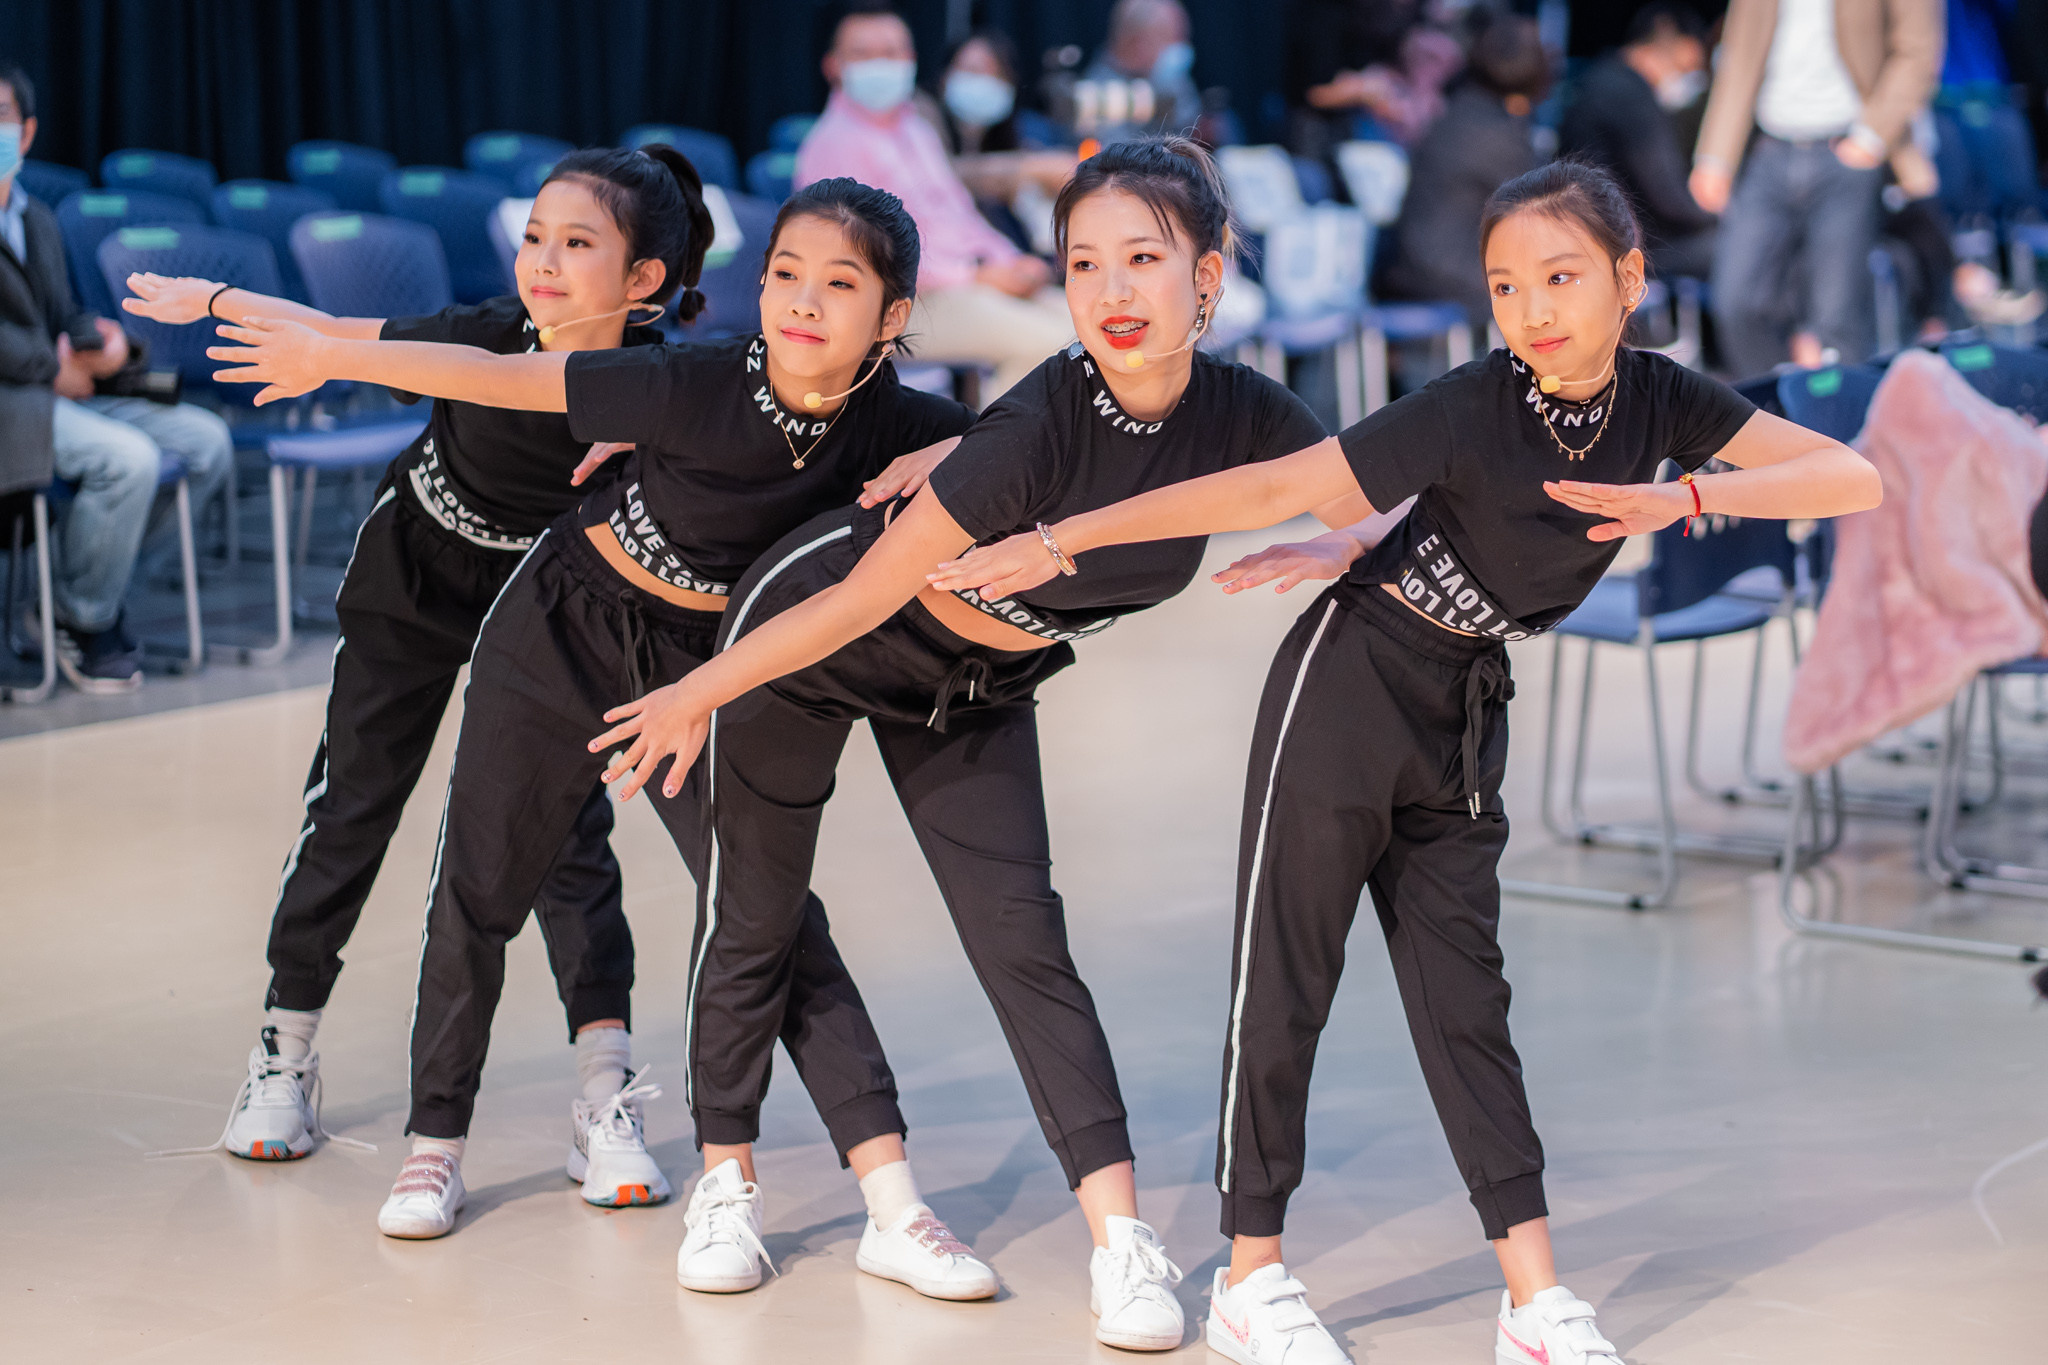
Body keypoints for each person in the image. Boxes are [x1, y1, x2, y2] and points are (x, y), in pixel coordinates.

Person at [927, 159, 1883, 1365]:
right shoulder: (1470, 402)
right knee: (1284, 986)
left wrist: (1689, 494)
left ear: (1628, 280)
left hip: (1467, 703)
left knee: (1465, 1005)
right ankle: (1250, 1276)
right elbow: (1277, 482)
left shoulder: (1661, 401)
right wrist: (1066, 535)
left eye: (1560, 277)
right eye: (1505, 285)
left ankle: (1532, 1302)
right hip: (1348, 684)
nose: (1532, 309)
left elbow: (1851, 473)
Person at [584, 137, 1334, 1353]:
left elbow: (1373, 484)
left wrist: (1338, 545)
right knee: (755, 918)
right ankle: (728, 1180)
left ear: (1208, 274)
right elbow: (856, 596)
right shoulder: (1037, 422)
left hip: (977, 681)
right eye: (1083, 263)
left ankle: (1120, 1244)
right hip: (814, 638)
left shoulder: (1241, 412)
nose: (1111, 292)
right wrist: (698, 690)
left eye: (1142, 259)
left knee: (1021, 942)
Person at [210, 179, 978, 1258]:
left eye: (839, 284)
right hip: (558, 623)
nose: (802, 302)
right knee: (478, 884)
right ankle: (437, 1139)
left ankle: (893, 1204)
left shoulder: (900, 424)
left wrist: (956, 455)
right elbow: (489, 371)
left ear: (891, 318)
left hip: (693, 668)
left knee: (766, 910)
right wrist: (330, 355)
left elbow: (1041, 441)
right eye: (784, 276)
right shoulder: (690, 382)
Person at [128, 147, 709, 1195]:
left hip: (551, 608)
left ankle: (602, 1085)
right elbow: (332, 336)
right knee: (352, 804)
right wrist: (214, 294)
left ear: (644, 281)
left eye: (578, 244)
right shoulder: (482, 333)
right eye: (535, 236)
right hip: (417, 574)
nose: (543, 261)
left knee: (564, 841)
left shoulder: (657, 389)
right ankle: (283, 1047)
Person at [0, 61, 231, 692]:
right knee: (126, 460)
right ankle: (83, 616)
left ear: (26, 134)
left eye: (2, 119)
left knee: (206, 442)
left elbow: (64, 312)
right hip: (14, 402)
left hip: (66, 392)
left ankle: (78, 597)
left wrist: (107, 344)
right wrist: (54, 368)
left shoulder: (35, 218)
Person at [795, 3, 1073, 401]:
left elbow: (961, 215)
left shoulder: (916, 129)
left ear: (910, 59)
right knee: (1044, 343)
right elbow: (869, 256)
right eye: (863, 53)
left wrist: (1008, 260)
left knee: (1084, 325)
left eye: (891, 53)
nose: (880, 63)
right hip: (898, 304)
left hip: (961, 285)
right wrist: (976, 277)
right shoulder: (830, 146)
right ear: (833, 67)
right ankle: (1000, 460)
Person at [1688, 0, 1943, 377]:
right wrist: (1715, 157)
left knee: (1836, 316)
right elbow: (1739, 53)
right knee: (1735, 300)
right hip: (1771, 147)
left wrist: (1871, 138)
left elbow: (1919, 52)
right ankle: (1779, 418)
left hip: (1847, 148)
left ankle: (1841, 430)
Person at [1378, 14, 1549, 329]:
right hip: (1445, 271)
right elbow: (1542, 212)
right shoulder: (1494, 132)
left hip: (1420, 263)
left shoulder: (1462, 111)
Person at [1558, 3, 1718, 281]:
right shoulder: (1631, 98)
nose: (1686, 80)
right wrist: (1716, 215)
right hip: (1629, 242)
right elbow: (1668, 197)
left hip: (1594, 232)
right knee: (1745, 249)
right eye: (1685, 68)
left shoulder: (1602, 79)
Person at [1083, 0, 1203, 140]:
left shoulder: (1172, 80)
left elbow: (1194, 129)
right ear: (1138, 42)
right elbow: (1115, 155)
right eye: (1171, 37)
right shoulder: (1095, 94)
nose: (1180, 47)